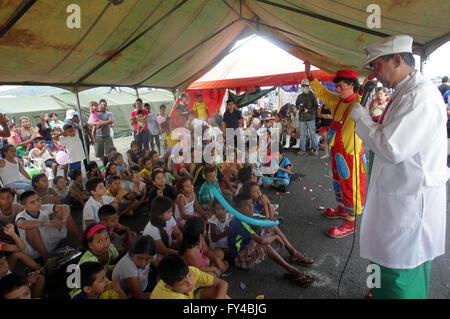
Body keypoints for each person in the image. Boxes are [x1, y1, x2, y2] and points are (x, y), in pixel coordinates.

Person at [351, 35, 448, 299]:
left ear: (396, 60)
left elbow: (392, 147)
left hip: (409, 208)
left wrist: (361, 117)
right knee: (387, 270)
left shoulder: (420, 96)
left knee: (401, 278)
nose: (374, 74)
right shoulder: (404, 91)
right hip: (397, 199)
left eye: (376, 65)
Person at [305, 59, 366, 239]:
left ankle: (350, 222)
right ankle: (342, 209)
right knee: (339, 182)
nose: (337, 90)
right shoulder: (336, 101)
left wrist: (367, 83)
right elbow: (322, 91)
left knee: (350, 185)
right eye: (337, 86)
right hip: (337, 151)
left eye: (340, 86)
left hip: (351, 153)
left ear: (352, 86)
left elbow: (365, 94)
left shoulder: (360, 100)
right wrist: (309, 75)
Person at [228, 194, 314, 286]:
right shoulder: (239, 222)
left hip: (248, 247)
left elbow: (267, 220)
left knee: (271, 225)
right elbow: (261, 241)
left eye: (252, 204)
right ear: (238, 211)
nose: (251, 207)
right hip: (239, 259)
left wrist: (270, 219)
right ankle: (292, 271)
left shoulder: (251, 214)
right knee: (264, 244)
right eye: (247, 205)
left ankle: (293, 253)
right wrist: (276, 237)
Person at [15, 190, 82, 262]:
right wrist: (49, 223)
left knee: (64, 213)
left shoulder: (43, 208)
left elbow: (65, 207)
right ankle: (46, 258)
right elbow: (22, 224)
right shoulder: (21, 216)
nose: (37, 203)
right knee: (31, 228)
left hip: (49, 241)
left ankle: (82, 241)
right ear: (24, 207)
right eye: (32, 202)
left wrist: (64, 221)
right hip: (34, 250)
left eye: (38, 200)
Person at [150, 254, 230, 299]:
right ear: (169, 287)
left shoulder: (191, 270)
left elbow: (222, 283)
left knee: (219, 293)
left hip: (190, 296)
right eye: (182, 284)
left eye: (190, 276)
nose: (190, 283)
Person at [295, 79, 320, 154]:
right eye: (302, 86)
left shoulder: (312, 95)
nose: (302, 87)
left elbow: (316, 107)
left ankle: (315, 149)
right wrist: (298, 108)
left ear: (307, 86)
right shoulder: (300, 96)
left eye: (303, 86)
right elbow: (296, 105)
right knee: (302, 134)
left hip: (310, 118)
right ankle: (302, 149)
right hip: (302, 118)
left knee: (312, 134)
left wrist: (308, 110)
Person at [89, 98, 115, 163]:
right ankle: (104, 164)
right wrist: (96, 123)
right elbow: (89, 122)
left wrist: (100, 123)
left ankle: (109, 164)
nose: (103, 106)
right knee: (99, 153)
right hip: (97, 136)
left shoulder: (109, 113)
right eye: (102, 105)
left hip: (107, 136)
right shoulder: (95, 113)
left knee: (110, 152)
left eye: (105, 105)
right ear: (99, 105)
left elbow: (110, 121)